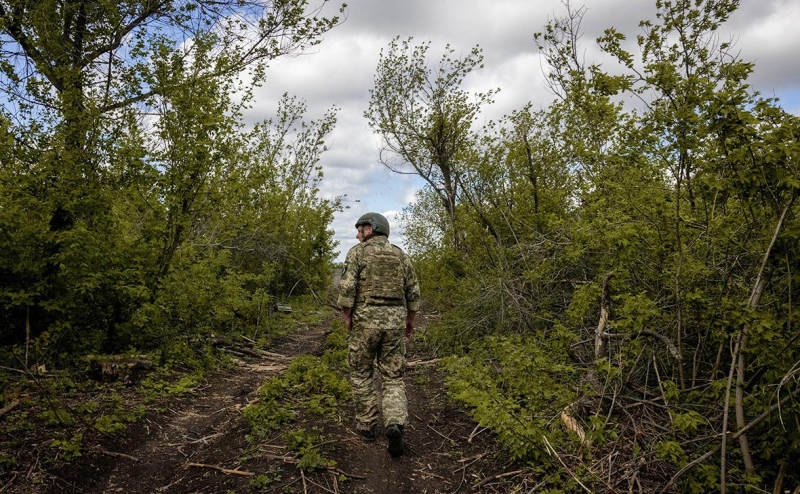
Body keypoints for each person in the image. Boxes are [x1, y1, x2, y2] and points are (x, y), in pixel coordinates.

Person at [337, 212, 420, 457]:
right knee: (393, 376)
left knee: (362, 372)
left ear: (370, 229)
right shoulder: (400, 255)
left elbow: (347, 288)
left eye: (359, 229)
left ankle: (367, 427)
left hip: (365, 323)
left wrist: (347, 316)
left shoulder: (357, 253)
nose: (356, 234)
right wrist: (410, 320)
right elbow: (413, 290)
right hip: (394, 323)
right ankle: (394, 423)